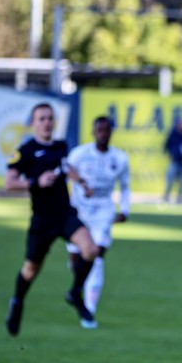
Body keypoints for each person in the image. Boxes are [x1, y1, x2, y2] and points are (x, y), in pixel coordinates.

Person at [4, 102, 100, 335]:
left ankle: (75, 293)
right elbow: (9, 183)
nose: (47, 122)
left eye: (50, 118)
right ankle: (17, 302)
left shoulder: (60, 146)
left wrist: (82, 183)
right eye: (42, 118)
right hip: (42, 220)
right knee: (30, 270)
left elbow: (67, 168)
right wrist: (36, 182)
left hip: (65, 214)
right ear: (33, 123)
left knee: (91, 249)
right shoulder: (26, 150)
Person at [64, 115, 131, 321]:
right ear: (93, 132)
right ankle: (77, 291)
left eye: (106, 130)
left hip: (104, 211)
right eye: (99, 130)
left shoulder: (120, 158)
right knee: (77, 259)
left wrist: (125, 210)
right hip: (80, 211)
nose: (102, 134)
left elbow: (126, 186)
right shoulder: (80, 154)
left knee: (98, 255)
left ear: (110, 132)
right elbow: (65, 170)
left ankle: (89, 309)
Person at [163, 117, 182, 204]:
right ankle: (166, 197)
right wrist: (171, 153)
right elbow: (166, 145)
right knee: (170, 180)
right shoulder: (173, 134)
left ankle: (180, 199)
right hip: (175, 161)